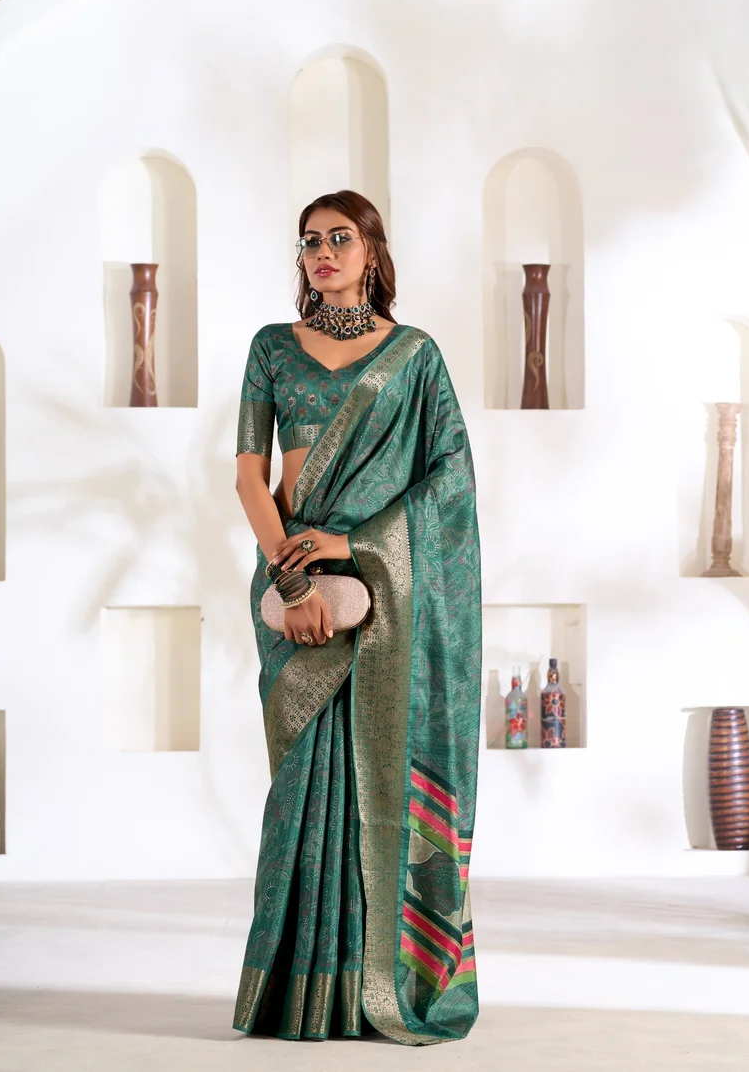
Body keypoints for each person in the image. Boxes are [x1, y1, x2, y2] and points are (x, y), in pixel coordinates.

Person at [232, 189, 481, 1046]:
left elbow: (450, 480)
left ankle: (379, 986)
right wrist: (292, 575)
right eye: (310, 242)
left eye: (340, 238)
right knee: (301, 791)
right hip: (293, 588)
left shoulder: (414, 358)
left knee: (375, 780)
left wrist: (351, 543)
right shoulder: (272, 347)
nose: (323, 253)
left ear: (372, 251)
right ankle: (295, 993)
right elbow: (249, 477)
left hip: (380, 594)